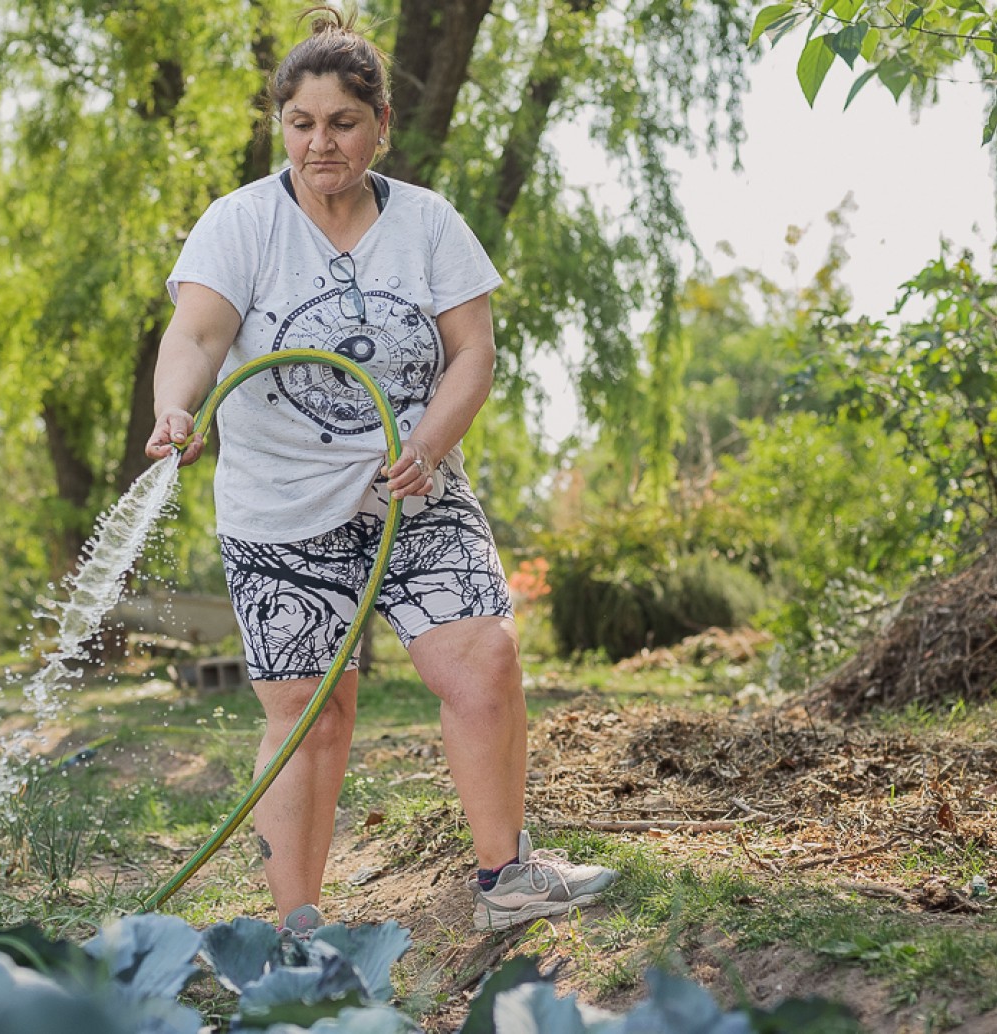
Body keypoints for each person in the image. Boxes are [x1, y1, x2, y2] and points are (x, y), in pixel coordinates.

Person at [143, 6, 616, 934]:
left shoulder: (430, 224)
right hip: (280, 510)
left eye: (344, 123)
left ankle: (505, 879)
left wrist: (430, 444)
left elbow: (473, 352)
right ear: (281, 124)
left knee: (483, 662)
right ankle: (299, 932)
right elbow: (195, 335)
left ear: (381, 125)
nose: (322, 143)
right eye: (302, 123)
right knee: (311, 717)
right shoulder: (240, 224)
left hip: (414, 487)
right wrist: (176, 407)